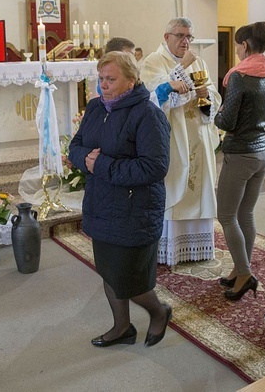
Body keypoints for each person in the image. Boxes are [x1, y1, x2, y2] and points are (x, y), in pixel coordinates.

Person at [68, 51, 172, 348]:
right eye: (101, 79)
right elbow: (76, 146)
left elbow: (155, 167)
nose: (104, 85)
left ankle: (159, 311)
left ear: (131, 80)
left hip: (134, 209)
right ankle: (122, 327)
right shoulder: (95, 108)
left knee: (131, 280)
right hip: (102, 204)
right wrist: (86, 158)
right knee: (109, 272)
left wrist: (101, 165)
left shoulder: (148, 114)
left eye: (111, 79)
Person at [140, 17, 222, 265]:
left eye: (189, 37)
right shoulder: (153, 62)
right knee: (175, 185)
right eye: (180, 36)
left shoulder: (200, 63)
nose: (186, 42)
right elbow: (154, 98)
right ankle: (170, 249)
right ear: (167, 37)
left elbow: (212, 99)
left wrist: (206, 97)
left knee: (199, 189)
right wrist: (183, 67)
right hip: (173, 135)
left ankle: (198, 248)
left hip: (198, 134)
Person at [214, 22, 265, 301]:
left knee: (227, 215)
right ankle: (239, 270)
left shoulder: (239, 76)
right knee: (246, 214)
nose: (238, 51)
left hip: (240, 153)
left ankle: (244, 273)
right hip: (262, 152)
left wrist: (212, 110)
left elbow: (226, 120)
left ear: (245, 46)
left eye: (239, 45)